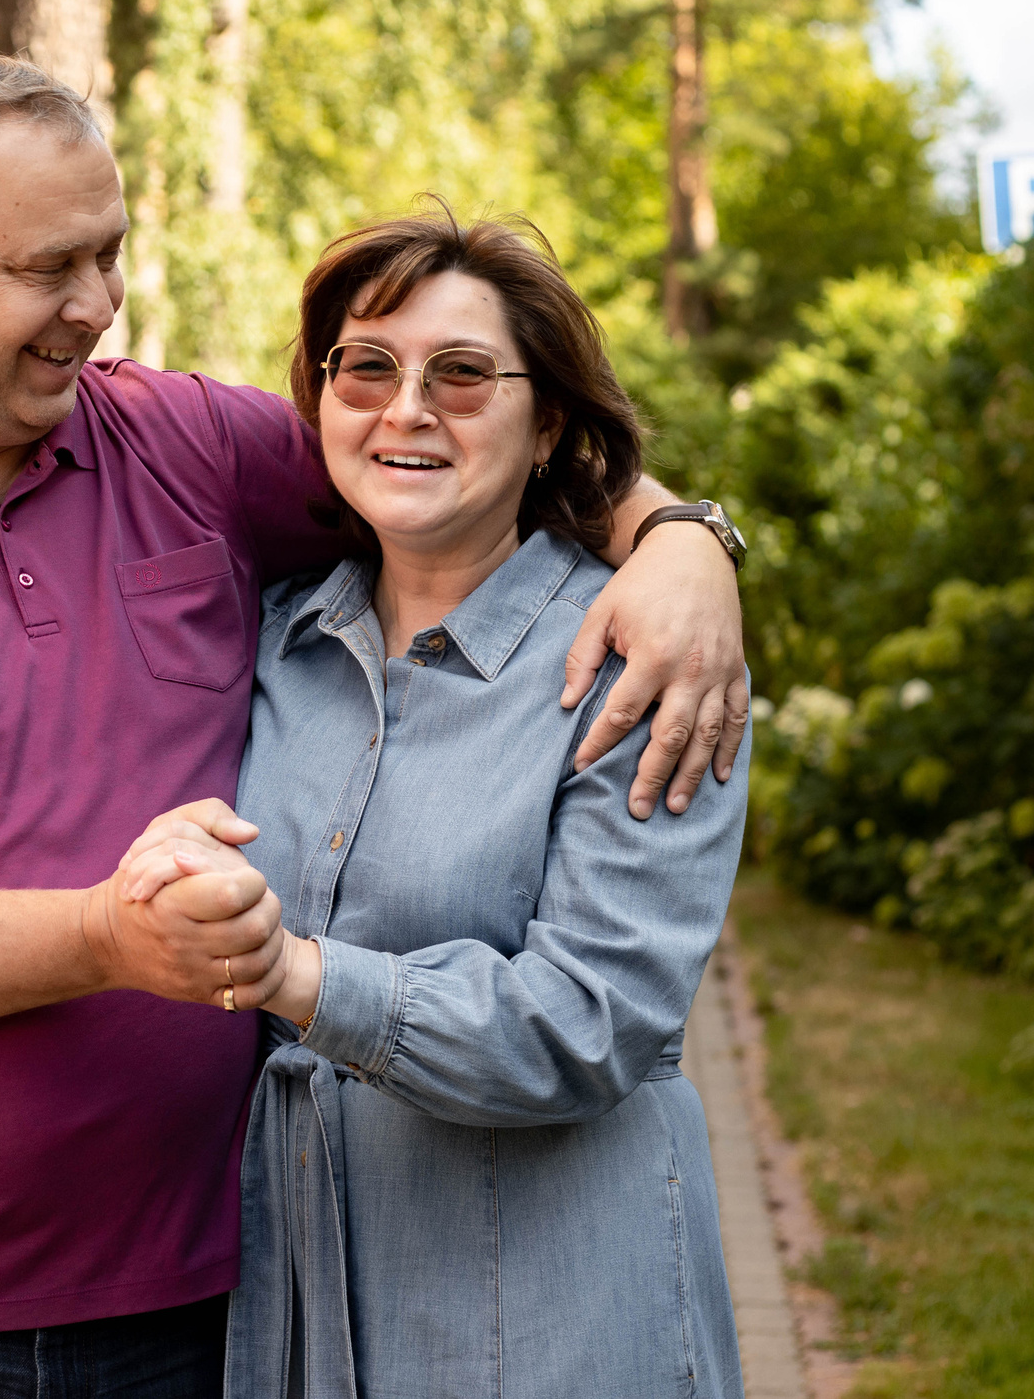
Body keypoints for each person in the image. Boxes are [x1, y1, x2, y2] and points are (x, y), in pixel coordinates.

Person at [0, 55, 750, 1397]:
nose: (97, 308)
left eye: (110, 256)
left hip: (211, 1301)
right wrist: (107, 932)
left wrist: (683, 540)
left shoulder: (181, 445)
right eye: (50, 267)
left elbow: (444, 439)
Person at [119, 210, 749, 1396]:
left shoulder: (642, 665)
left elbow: (586, 1021)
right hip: (308, 1315)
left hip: (559, 1325)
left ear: (546, 420)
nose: (406, 408)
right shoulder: (269, 641)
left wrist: (296, 975)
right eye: (367, 368)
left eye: (461, 374)